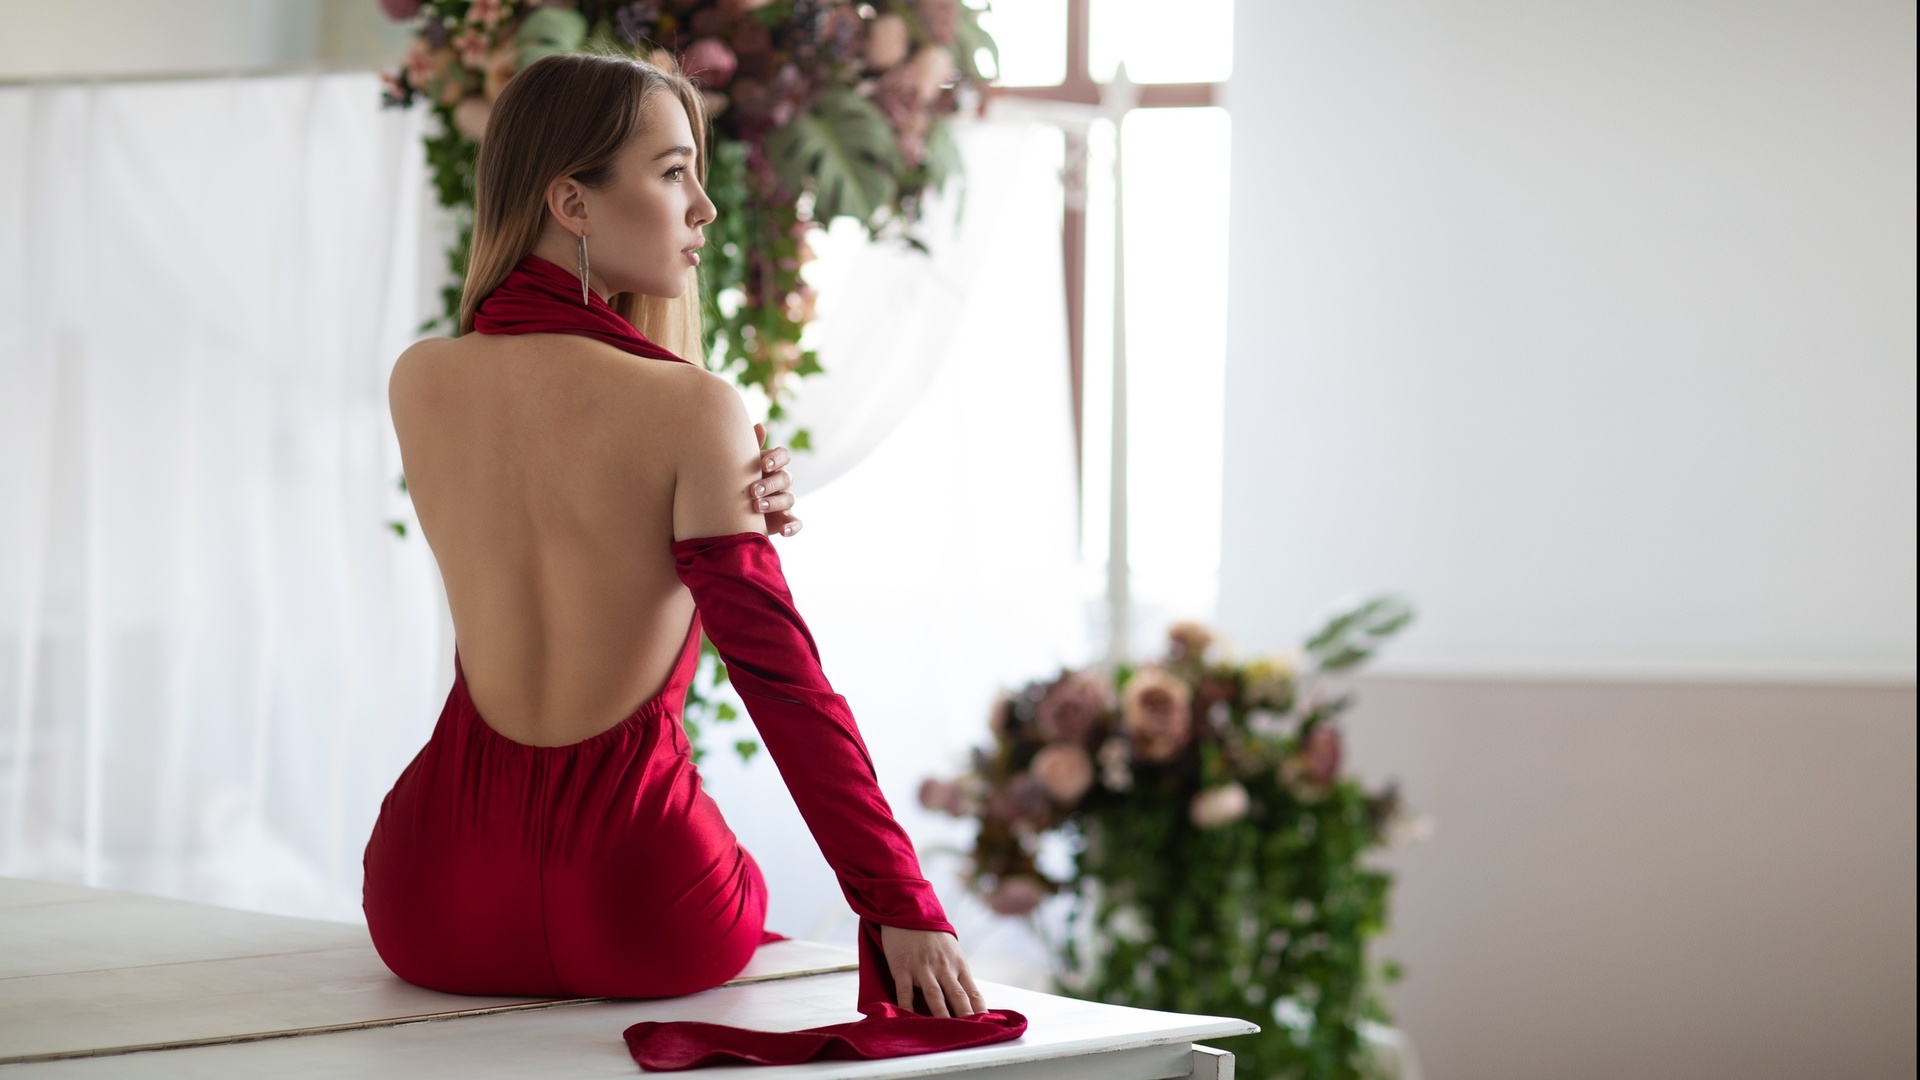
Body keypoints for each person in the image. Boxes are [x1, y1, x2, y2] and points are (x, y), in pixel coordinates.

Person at [360, 52, 999, 1043]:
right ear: (572, 201)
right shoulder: (694, 410)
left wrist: (720, 466)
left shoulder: (421, 380)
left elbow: (554, 488)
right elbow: (784, 686)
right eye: (671, 173)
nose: (704, 207)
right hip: (639, 906)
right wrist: (900, 903)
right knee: (745, 895)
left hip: (429, 903)